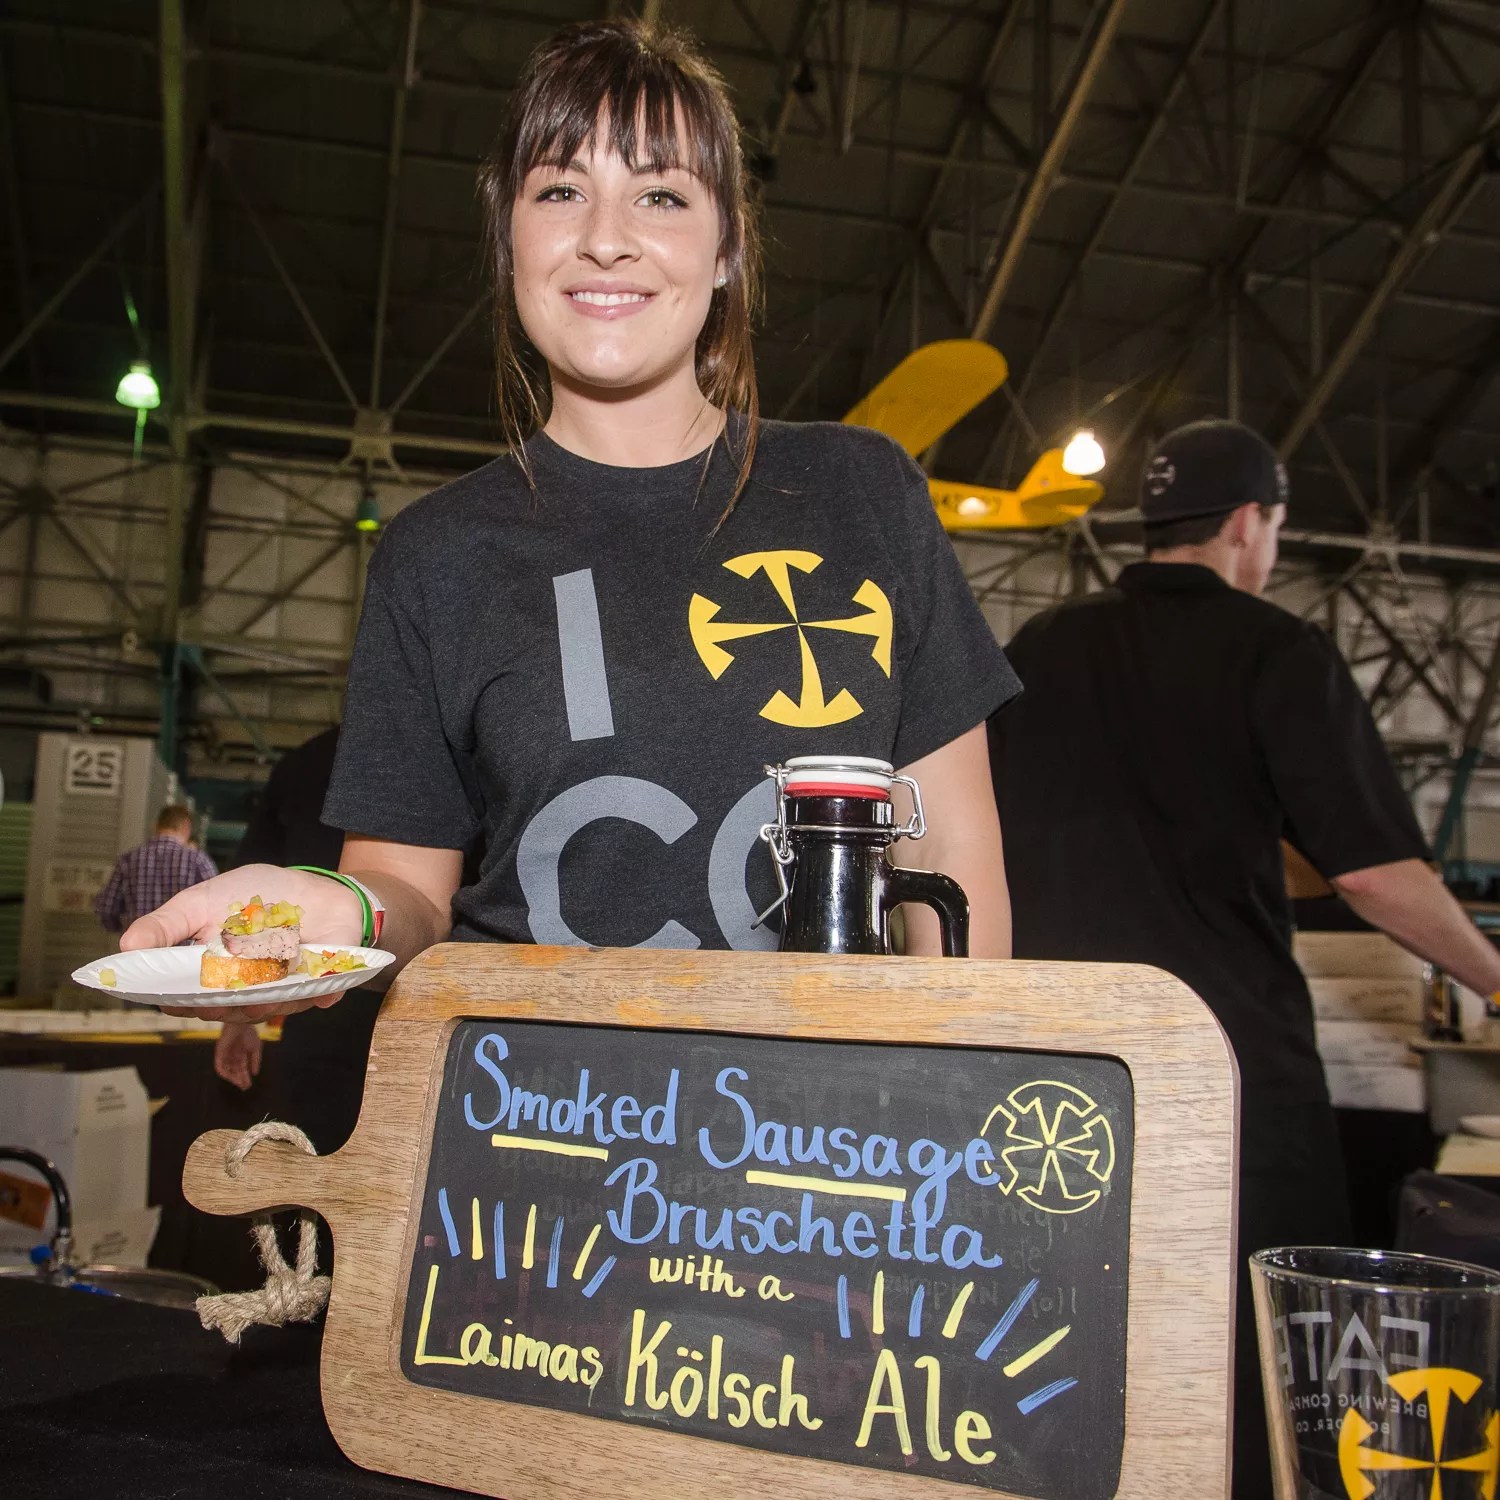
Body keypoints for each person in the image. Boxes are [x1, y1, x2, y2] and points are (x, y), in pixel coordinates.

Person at [123, 16, 1019, 1029]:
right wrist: (340, 908)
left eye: (661, 195)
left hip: (829, 1112)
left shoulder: (862, 491)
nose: (605, 236)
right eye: (560, 191)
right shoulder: (435, 555)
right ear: (508, 233)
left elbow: (950, 859)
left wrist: (966, 1082)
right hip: (539, 1109)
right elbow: (407, 886)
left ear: (728, 247)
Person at [987, 417, 1500, 1499]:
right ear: (1248, 523)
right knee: (1259, 1357)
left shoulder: (1039, 649)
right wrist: (1495, 975)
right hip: (1229, 1078)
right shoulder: (1274, 649)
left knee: (1065, 1342)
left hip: (1059, 1081)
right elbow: (1373, 875)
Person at [213, 728, 384, 1158]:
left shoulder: (304, 762)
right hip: (355, 1015)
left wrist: (239, 1018)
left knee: (315, 1170)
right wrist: (239, 1016)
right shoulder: (449, 749)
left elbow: (251, 895)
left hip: (325, 1015)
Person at [93, 804, 217, 935]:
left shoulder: (128, 860)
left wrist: (123, 931)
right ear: (186, 829)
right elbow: (217, 903)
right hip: (182, 944)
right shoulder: (197, 860)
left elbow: (106, 907)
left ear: (157, 826)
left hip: (138, 942)